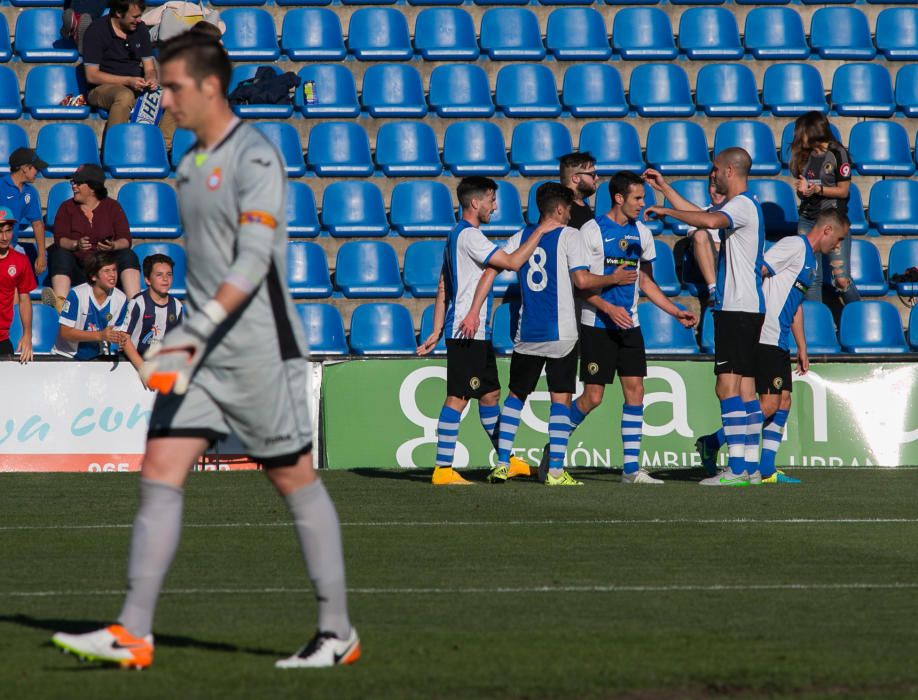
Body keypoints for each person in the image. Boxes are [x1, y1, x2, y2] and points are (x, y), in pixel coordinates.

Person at [52, 34, 358, 670]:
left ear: (211, 87)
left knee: (294, 479)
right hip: (205, 352)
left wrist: (195, 329)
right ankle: (134, 631)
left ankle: (337, 632)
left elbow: (253, 259)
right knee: (161, 469)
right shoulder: (190, 161)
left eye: (175, 86)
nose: (165, 97)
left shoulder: (255, 159)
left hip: (258, 350)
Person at [548, 171, 696, 485]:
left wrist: (674, 311)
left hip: (630, 324)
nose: (643, 204)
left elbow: (645, 280)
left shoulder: (642, 232)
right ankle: (556, 448)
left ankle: (631, 470)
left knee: (636, 392)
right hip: (598, 324)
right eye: (638, 198)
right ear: (619, 198)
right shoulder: (590, 231)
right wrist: (607, 308)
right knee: (593, 397)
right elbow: (581, 283)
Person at [695, 211, 850, 484]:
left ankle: (766, 469)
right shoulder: (793, 246)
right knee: (767, 404)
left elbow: (794, 302)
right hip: (765, 333)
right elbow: (760, 271)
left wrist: (801, 346)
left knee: (784, 400)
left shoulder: (811, 261)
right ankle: (716, 444)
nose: (837, 246)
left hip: (780, 338)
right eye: (838, 239)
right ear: (826, 230)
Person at [644, 148, 766, 487]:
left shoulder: (739, 205)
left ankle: (737, 469)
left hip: (736, 309)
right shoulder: (741, 206)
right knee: (744, 389)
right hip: (746, 308)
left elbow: (708, 221)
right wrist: (664, 188)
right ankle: (750, 468)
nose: (712, 175)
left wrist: (665, 208)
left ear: (729, 170)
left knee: (725, 387)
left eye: (715, 170)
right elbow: (700, 214)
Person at [417, 176, 549, 486]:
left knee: (489, 395)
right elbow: (513, 262)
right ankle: (443, 468)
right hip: (468, 331)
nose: (494, 206)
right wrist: (540, 230)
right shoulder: (472, 237)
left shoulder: (455, 236)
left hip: (471, 331)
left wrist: (437, 328)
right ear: (475, 203)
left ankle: (507, 459)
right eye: (491, 200)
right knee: (458, 397)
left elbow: (442, 285)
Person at [43, 163, 141, 311]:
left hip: (106, 268)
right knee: (59, 253)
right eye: (73, 182)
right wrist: (76, 245)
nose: (73, 186)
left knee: (128, 255)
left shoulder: (112, 207)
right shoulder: (66, 207)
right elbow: (60, 238)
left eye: (78, 183)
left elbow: (125, 239)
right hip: (79, 268)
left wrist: (113, 246)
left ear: (93, 187)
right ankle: (61, 304)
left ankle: (135, 306)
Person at [81, 0, 176, 148]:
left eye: (140, 16)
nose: (139, 20)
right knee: (124, 95)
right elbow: (92, 75)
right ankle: (114, 150)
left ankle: (161, 148)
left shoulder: (141, 29)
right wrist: (127, 81)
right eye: (134, 17)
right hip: (102, 88)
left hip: (135, 85)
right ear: (118, 13)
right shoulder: (96, 30)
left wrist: (151, 78)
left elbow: (149, 67)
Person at [789, 111, 859, 308]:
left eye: (799, 132)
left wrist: (817, 189)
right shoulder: (803, 155)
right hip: (808, 219)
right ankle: (815, 324)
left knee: (842, 279)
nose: (796, 136)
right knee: (810, 276)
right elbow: (805, 192)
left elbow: (843, 191)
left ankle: (857, 315)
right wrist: (803, 191)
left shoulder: (837, 153)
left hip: (832, 221)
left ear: (811, 131)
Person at [642, 169, 725, 307]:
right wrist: (664, 188)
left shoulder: (740, 208)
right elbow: (702, 224)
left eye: (720, 184)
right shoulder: (700, 214)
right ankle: (713, 289)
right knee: (700, 234)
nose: (715, 190)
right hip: (715, 266)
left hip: (737, 267)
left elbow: (708, 220)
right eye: (712, 184)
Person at [51, 251, 130, 360]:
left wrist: (120, 338)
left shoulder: (121, 298)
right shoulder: (77, 295)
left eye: (114, 270)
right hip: (67, 356)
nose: (113, 275)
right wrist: (100, 335)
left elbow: (119, 331)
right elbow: (65, 332)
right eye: (107, 271)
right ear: (93, 276)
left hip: (98, 357)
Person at [121, 253, 184, 378]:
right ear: (148, 280)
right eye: (159, 275)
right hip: (134, 364)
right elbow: (124, 338)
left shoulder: (177, 306)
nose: (165, 279)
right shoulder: (138, 303)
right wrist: (142, 368)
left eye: (169, 274)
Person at [1, 148, 48, 278]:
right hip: (4, 247)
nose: (37, 172)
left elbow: (38, 224)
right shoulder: (1, 187)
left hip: (12, 247)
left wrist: (41, 255)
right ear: (25, 168)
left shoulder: (30, 192)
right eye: (35, 168)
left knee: (24, 277)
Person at [0, 207, 36, 363]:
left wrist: (27, 334)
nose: (4, 237)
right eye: (0, 231)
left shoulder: (20, 261)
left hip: (2, 337)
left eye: (8, 231)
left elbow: (24, 300)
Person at [559, 152, 598, 230]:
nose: (597, 178)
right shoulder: (562, 209)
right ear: (575, 178)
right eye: (592, 174)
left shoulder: (583, 205)